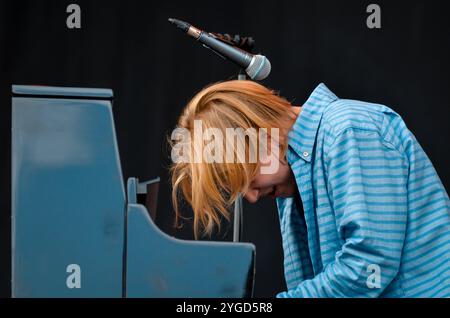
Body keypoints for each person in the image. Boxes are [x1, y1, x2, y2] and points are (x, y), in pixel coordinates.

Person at [169, 80, 450, 297]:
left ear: (262, 135)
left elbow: (370, 264)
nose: (252, 197)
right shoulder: (294, 168)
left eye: (246, 177)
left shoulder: (349, 129)